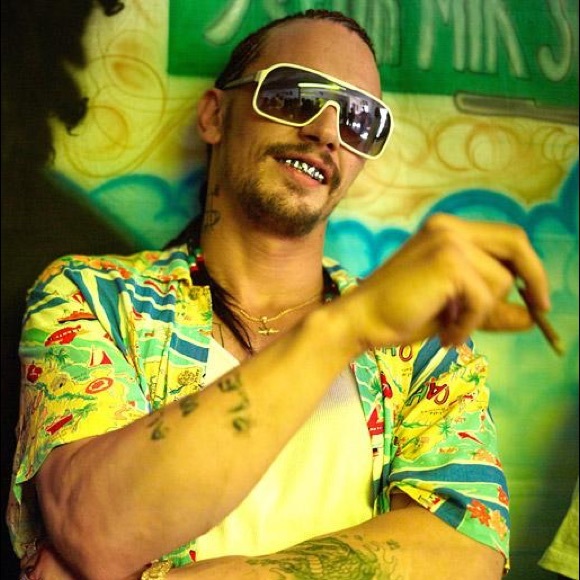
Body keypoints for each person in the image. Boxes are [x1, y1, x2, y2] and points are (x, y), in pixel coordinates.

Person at [6, 9, 551, 580]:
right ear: (215, 115)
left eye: (359, 120)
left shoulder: (422, 346)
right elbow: (98, 528)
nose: (327, 132)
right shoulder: (95, 297)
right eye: (294, 95)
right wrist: (343, 329)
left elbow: (470, 548)